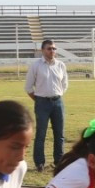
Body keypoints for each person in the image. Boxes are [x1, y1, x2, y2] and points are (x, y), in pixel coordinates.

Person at [25, 39, 69, 172]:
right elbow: (28, 87)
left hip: (58, 102)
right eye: (49, 48)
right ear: (42, 50)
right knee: (41, 133)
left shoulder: (61, 65)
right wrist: (38, 100)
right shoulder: (36, 66)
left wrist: (57, 95)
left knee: (59, 134)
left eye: (54, 48)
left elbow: (64, 84)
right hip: (42, 103)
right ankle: (39, 163)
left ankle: (59, 161)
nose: (52, 51)